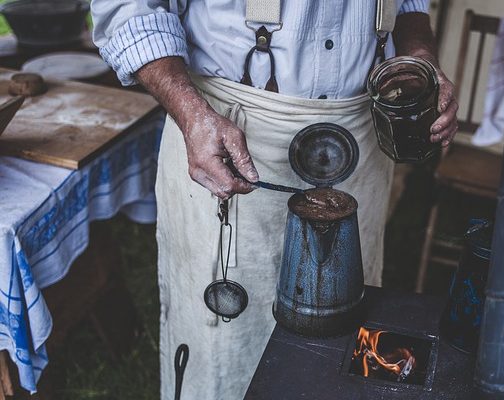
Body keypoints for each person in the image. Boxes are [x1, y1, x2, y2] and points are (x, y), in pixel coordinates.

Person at [91, 1, 457, 398]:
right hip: (229, 130)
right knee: (227, 345)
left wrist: (419, 58)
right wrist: (191, 114)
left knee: (342, 331)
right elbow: (130, 8)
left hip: (359, 138)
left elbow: (410, 6)